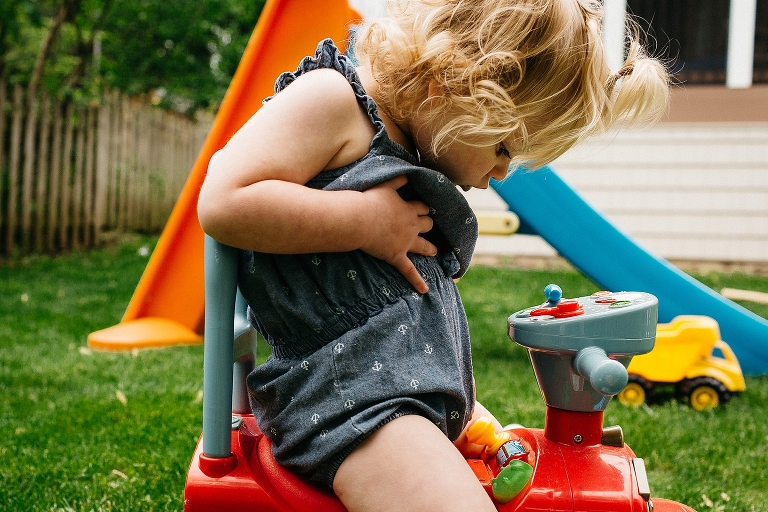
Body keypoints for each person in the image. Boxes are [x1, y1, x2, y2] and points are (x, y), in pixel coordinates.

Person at [197, 0, 669, 510]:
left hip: (398, 399)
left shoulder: (409, 146)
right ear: (455, 84)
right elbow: (224, 200)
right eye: (506, 149)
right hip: (349, 406)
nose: (505, 173)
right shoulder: (332, 99)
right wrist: (364, 221)